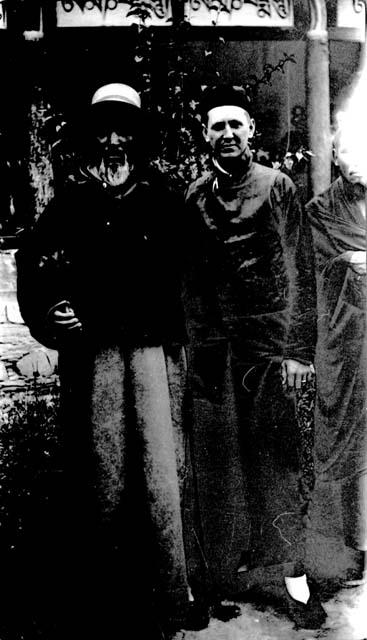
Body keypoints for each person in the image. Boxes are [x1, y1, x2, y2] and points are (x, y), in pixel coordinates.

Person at [16, 83, 208, 639]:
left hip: (154, 355)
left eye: (125, 131)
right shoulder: (68, 204)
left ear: (140, 141)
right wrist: (52, 313)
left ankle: (172, 597)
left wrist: (185, 336)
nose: (114, 142)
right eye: (103, 131)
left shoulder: (166, 203)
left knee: (162, 477)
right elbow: (36, 266)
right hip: (93, 360)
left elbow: (197, 279)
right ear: (90, 140)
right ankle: (103, 602)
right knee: (100, 476)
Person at [184, 84, 326, 627]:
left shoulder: (278, 187)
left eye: (235, 126)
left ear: (252, 133)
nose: (227, 135)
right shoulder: (195, 196)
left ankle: (293, 580)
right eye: (217, 126)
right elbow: (192, 280)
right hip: (218, 351)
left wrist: (296, 351)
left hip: (271, 349)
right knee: (219, 466)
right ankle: (222, 575)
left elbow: (301, 270)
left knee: (277, 462)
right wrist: (197, 349)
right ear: (205, 136)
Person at [306, 118, 366, 587]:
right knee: (348, 442)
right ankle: (351, 548)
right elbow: (315, 276)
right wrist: (347, 262)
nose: (355, 162)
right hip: (346, 342)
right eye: (346, 151)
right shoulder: (321, 210)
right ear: (333, 156)